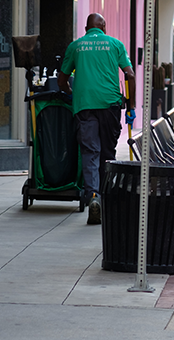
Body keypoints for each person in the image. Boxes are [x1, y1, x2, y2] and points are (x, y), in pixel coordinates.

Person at [58, 13, 135, 225]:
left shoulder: (76, 46)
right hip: (110, 105)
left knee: (90, 152)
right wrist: (132, 106)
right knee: (108, 153)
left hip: (84, 105)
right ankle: (107, 197)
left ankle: (94, 197)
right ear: (103, 27)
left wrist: (72, 93)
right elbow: (130, 75)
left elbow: (61, 79)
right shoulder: (115, 44)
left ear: (86, 28)